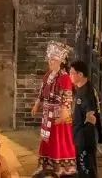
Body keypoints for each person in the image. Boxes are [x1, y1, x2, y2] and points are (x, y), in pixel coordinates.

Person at [32, 43, 76, 175]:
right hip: (47, 114)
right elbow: (42, 92)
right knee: (47, 139)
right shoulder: (48, 75)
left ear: (61, 61)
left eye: (54, 60)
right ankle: (46, 165)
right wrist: (37, 104)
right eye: (50, 59)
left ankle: (61, 167)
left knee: (59, 140)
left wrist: (64, 113)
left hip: (59, 114)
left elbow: (67, 97)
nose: (51, 62)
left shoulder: (65, 77)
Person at [69, 60, 102, 178]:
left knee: (86, 168)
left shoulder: (87, 93)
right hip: (79, 135)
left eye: (72, 73)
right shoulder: (79, 89)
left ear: (80, 74)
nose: (70, 76)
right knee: (81, 169)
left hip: (85, 139)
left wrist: (83, 138)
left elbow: (91, 117)